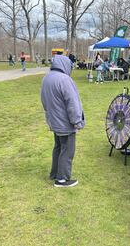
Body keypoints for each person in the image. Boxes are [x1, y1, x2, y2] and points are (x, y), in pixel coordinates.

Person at [41, 52, 85, 187]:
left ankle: (55, 173)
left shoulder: (46, 78)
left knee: (58, 147)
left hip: (54, 120)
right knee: (67, 149)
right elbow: (73, 103)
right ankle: (62, 179)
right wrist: (77, 121)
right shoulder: (65, 80)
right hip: (65, 123)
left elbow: (43, 101)